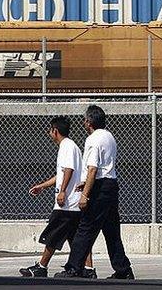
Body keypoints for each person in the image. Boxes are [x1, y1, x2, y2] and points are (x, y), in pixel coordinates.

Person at [55, 105, 134, 280]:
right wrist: (86, 183)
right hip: (111, 185)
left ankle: (73, 268)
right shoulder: (109, 137)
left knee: (85, 227)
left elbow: (92, 169)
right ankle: (123, 269)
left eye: (85, 120)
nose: (84, 122)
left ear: (89, 122)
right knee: (111, 230)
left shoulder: (92, 139)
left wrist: (85, 195)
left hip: (99, 187)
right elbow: (103, 167)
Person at [19, 116, 96, 278]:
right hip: (73, 203)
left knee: (53, 234)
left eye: (50, 130)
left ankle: (41, 266)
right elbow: (61, 174)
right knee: (77, 238)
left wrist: (62, 192)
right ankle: (88, 269)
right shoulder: (70, 146)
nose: (49, 133)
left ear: (55, 131)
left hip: (67, 203)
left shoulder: (67, 146)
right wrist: (42, 186)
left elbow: (68, 170)